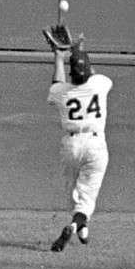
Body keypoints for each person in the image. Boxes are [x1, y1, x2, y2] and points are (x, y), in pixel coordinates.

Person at [44, 25, 109, 252]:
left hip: (71, 144)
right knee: (86, 198)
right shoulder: (101, 84)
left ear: (71, 74)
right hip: (95, 144)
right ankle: (75, 225)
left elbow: (57, 85)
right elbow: (87, 71)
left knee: (73, 192)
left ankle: (80, 228)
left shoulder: (62, 93)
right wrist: (78, 48)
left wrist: (59, 57)